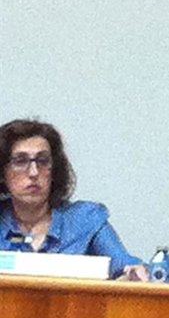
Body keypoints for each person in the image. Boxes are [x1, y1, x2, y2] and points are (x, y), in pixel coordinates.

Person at [1, 118, 148, 281]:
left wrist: (134, 271)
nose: (34, 172)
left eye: (43, 161)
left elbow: (124, 264)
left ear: (54, 171)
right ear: (2, 172)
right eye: (20, 161)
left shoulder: (84, 219)